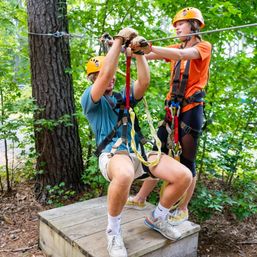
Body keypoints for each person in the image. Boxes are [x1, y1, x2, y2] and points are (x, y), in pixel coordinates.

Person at [81, 28, 192, 257]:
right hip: (114, 155)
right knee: (123, 175)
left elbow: (144, 81)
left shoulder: (124, 97)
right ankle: (113, 231)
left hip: (138, 153)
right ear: (92, 79)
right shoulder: (90, 99)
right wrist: (120, 40)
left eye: (112, 74)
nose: (110, 77)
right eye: (101, 75)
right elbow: (104, 75)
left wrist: (139, 52)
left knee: (184, 176)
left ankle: (158, 217)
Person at [126, 7, 212, 226]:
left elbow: (183, 55)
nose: (176, 28)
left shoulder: (203, 46)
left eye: (180, 24)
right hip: (172, 110)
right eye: (175, 25)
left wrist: (150, 46)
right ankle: (140, 198)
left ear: (193, 25)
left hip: (191, 110)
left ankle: (182, 209)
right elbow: (151, 54)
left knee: (187, 162)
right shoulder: (176, 47)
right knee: (157, 153)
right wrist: (127, 46)